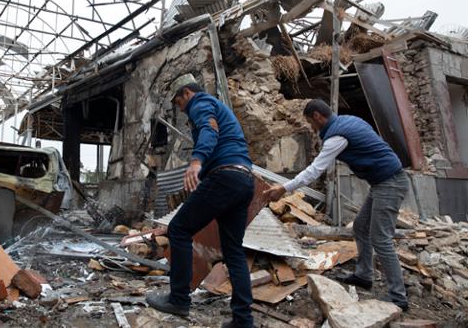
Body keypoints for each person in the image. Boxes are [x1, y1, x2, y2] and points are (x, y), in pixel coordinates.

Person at [263, 99, 410, 311]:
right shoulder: (349, 121)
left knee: (381, 238)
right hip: (382, 183)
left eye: (311, 123)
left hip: (390, 183)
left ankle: (398, 296)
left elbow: (315, 171)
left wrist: (284, 188)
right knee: (360, 227)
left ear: (317, 116)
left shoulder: (337, 137)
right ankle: (364, 275)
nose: (312, 129)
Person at [146, 74, 256, 328]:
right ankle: (243, 320)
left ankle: (179, 300)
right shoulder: (218, 107)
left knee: (179, 229)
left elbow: (208, 129)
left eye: (178, 102)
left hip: (224, 177)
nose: (180, 109)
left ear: (186, 93)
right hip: (244, 180)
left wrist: (196, 162)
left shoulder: (201, 103)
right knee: (234, 250)